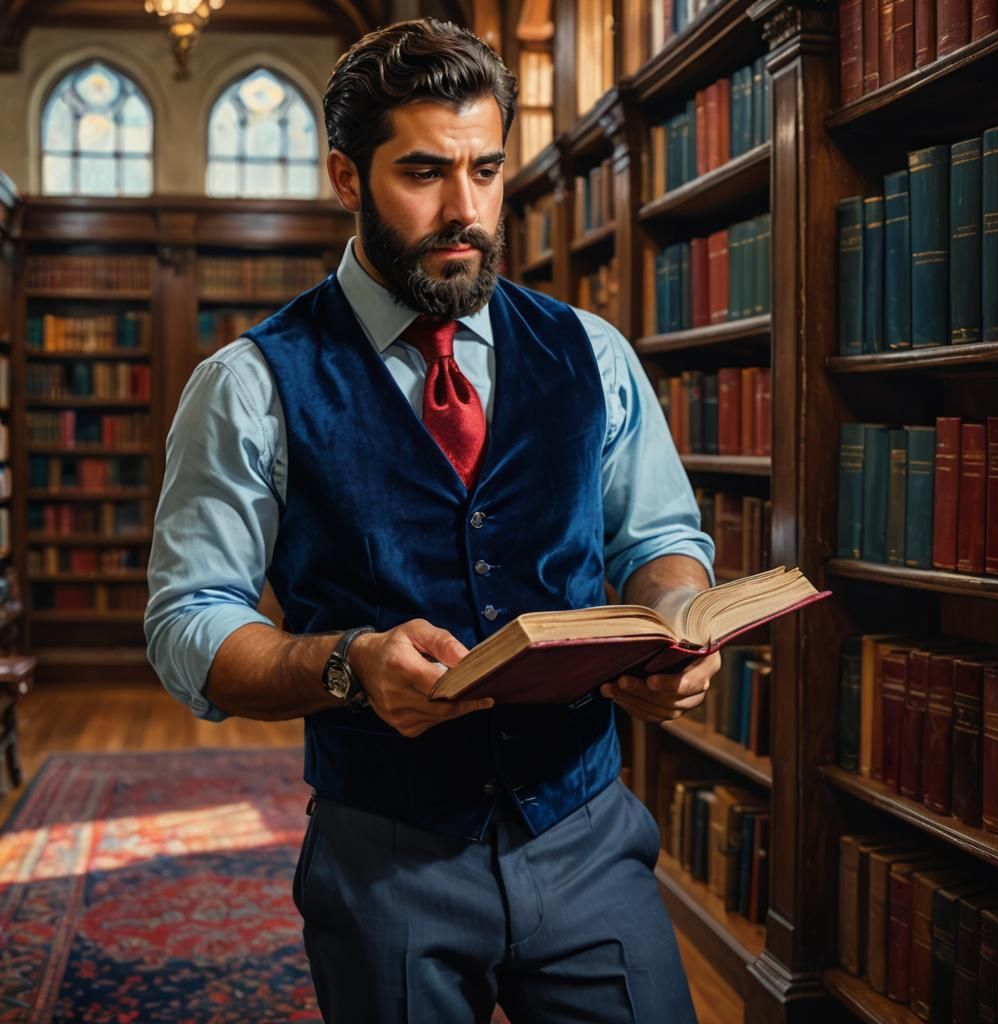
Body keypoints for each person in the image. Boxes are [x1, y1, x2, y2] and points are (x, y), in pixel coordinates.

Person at [145, 17, 719, 1024]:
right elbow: (190, 622)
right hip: (385, 854)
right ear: (345, 176)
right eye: (422, 172)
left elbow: (659, 541)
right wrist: (344, 663)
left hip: (587, 834)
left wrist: (676, 622)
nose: (465, 210)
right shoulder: (247, 386)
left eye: (486, 169)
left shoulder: (592, 351)